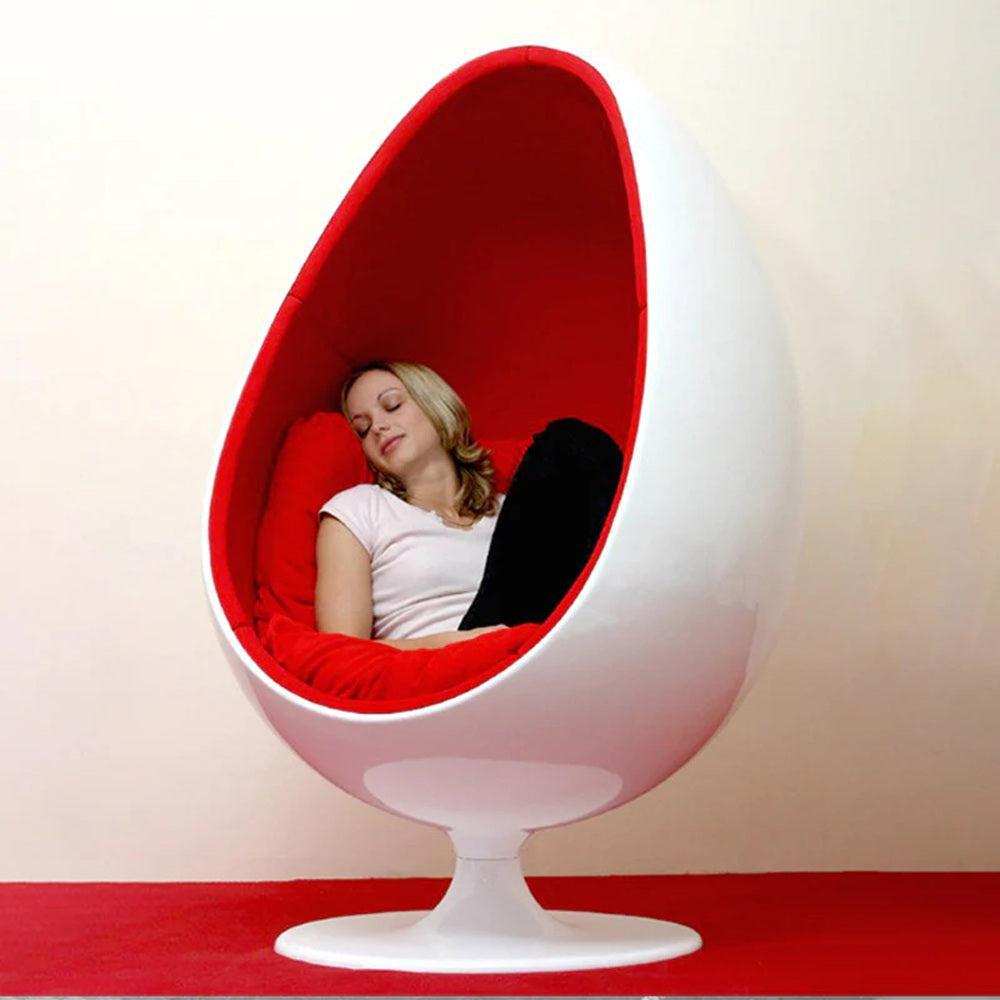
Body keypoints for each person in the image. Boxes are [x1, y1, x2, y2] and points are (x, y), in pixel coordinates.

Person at [315, 359, 623, 651]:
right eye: (363, 429)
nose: (378, 427)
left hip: (538, 640)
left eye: (392, 405)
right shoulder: (358, 509)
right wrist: (457, 643)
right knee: (565, 444)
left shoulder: (509, 514)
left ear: (435, 404)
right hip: (450, 658)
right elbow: (343, 653)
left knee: (574, 445)